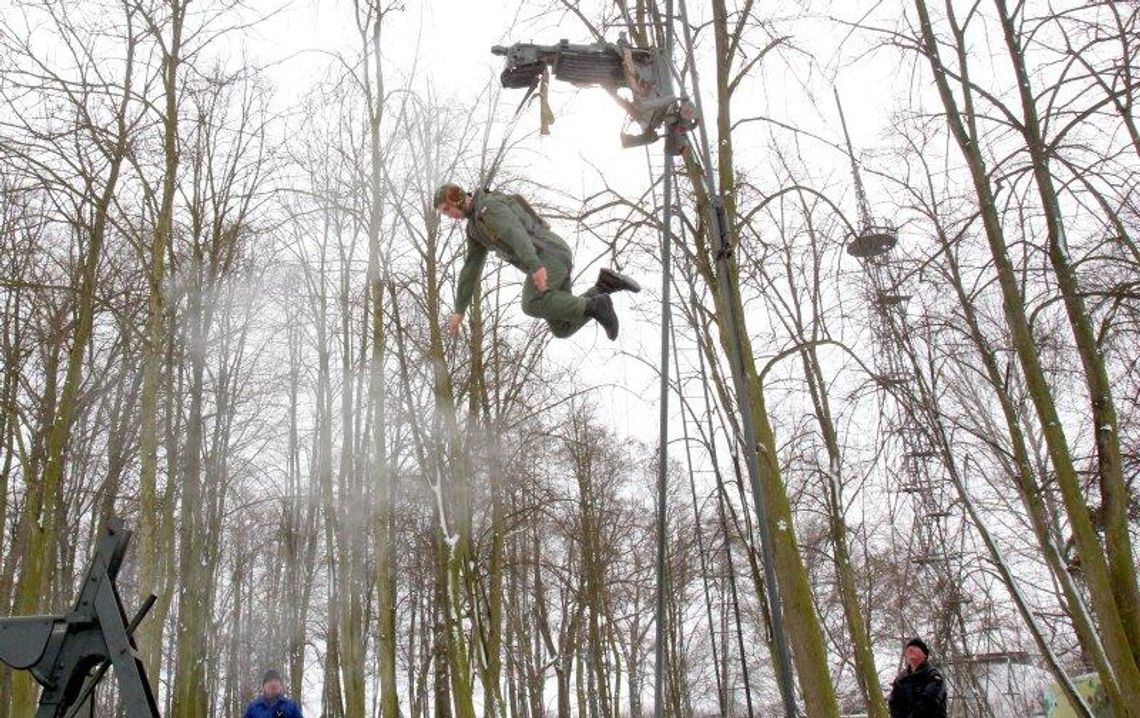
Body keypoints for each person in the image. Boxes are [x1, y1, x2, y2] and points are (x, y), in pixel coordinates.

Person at [435, 183, 640, 341]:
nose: (448, 216)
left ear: (457, 198)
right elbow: (470, 268)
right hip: (545, 259)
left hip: (548, 255)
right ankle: (604, 286)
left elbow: (516, 233)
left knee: (531, 303)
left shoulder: (489, 208)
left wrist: (535, 266)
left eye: (446, 209)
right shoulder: (474, 228)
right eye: (444, 213)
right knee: (562, 327)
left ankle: (598, 305)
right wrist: (459, 310)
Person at [888, 638, 948, 718]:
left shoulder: (933, 676)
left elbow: (928, 703)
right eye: (908, 648)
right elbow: (894, 704)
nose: (911, 649)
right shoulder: (901, 680)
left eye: (915, 647)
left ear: (925, 655)